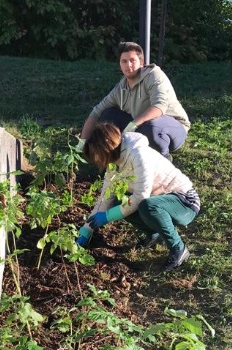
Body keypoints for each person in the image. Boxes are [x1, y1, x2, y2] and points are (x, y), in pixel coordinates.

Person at [76, 123, 200, 271]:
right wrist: (86, 230)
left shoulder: (139, 154)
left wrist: (108, 216)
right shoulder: (113, 165)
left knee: (147, 205)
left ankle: (179, 248)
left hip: (184, 201)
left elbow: (141, 196)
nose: (98, 161)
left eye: (98, 156)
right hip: (158, 200)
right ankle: (153, 234)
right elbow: (105, 199)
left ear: (106, 149)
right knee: (119, 201)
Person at [77, 41, 190, 159]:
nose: (128, 65)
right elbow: (96, 113)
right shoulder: (121, 87)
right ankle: (114, 162)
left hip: (172, 128)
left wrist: (134, 124)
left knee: (151, 127)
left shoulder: (154, 75)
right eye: (124, 61)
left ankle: (163, 158)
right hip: (141, 126)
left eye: (132, 60)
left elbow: (159, 107)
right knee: (107, 115)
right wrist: (81, 143)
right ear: (120, 64)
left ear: (141, 62)